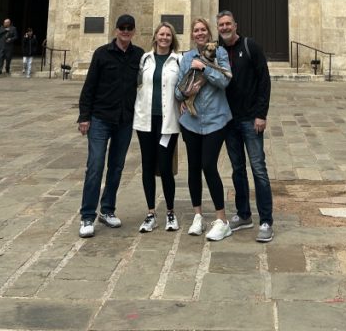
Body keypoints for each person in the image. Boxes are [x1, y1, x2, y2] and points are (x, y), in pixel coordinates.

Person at [77, 14, 143, 238]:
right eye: (122, 28)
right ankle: (87, 215)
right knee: (95, 166)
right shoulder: (102, 54)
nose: (125, 31)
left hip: (124, 120)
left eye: (129, 28)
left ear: (134, 31)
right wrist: (84, 117)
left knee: (116, 167)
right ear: (116, 30)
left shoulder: (139, 56)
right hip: (100, 118)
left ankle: (107, 210)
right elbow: (89, 87)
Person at [216, 9, 274, 242]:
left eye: (228, 24)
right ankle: (243, 214)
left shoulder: (251, 47)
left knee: (258, 169)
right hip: (229, 121)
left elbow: (264, 81)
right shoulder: (217, 51)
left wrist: (261, 114)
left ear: (235, 25)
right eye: (221, 25)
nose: (225, 28)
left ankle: (267, 220)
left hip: (251, 119)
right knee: (237, 170)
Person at [175, 17, 232, 241]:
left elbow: (225, 80)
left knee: (209, 165)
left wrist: (204, 69)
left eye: (203, 30)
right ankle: (197, 216)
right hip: (190, 121)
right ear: (192, 35)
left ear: (209, 34)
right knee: (193, 167)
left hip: (216, 119)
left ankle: (222, 220)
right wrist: (185, 93)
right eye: (196, 30)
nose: (199, 33)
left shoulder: (220, 54)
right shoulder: (186, 57)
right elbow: (179, 89)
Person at [133, 22, 182, 232]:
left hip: (168, 122)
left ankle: (170, 212)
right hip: (145, 120)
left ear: (172, 38)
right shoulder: (144, 59)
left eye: (168, 35)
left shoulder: (179, 60)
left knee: (164, 166)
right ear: (155, 37)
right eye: (161, 34)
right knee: (147, 165)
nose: (164, 38)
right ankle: (151, 212)